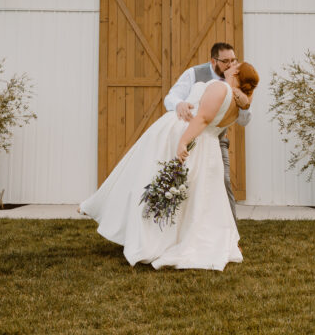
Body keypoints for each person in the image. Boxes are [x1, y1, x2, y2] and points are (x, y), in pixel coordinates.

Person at [80, 62, 259, 270]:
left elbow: (202, 118)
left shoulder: (222, 89)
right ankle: (170, 238)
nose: (230, 64)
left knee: (146, 180)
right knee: (196, 199)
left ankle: (149, 238)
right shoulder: (238, 105)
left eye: (234, 64)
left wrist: (183, 141)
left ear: (236, 72)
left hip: (192, 141)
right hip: (208, 151)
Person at [164, 43, 251, 224]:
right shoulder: (194, 74)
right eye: (225, 61)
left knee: (223, 181)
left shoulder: (240, 80)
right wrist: (179, 104)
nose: (231, 65)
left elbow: (243, 121)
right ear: (213, 61)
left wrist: (244, 105)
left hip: (216, 140)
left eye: (233, 60)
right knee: (185, 183)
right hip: (189, 138)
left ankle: (230, 235)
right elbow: (170, 97)